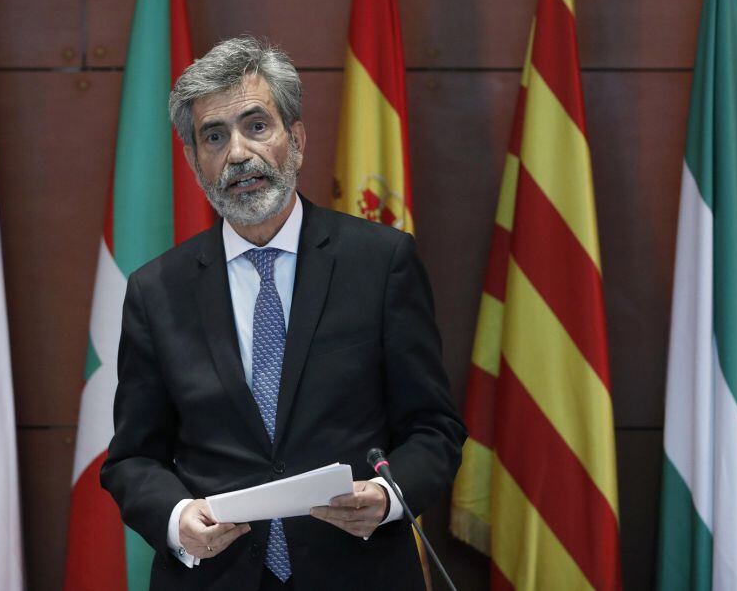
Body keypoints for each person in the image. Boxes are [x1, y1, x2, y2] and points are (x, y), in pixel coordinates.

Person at [101, 36, 465, 590]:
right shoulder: (157, 291)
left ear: (295, 139)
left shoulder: (380, 262)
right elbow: (132, 458)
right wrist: (177, 520)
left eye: (256, 126)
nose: (238, 154)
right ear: (195, 160)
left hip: (359, 572)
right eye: (214, 137)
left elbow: (433, 428)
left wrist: (388, 497)